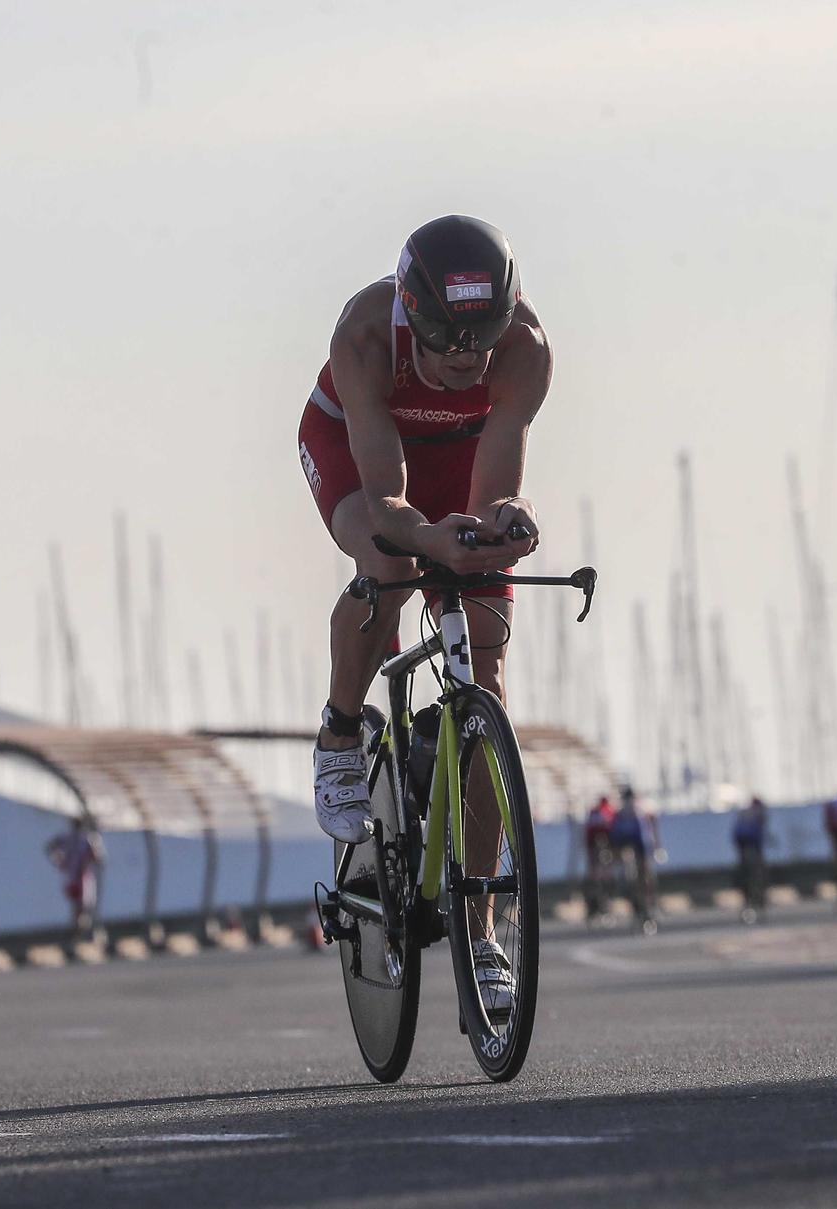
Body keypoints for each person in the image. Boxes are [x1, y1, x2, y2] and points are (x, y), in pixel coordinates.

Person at [299, 215, 552, 1010]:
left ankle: (480, 932)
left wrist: (504, 521)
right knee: (392, 566)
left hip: (458, 458)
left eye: (483, 336)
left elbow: (497, 484)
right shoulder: (368, 334)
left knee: (486, 655)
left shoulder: (527, 354)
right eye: (446, 335)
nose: (464, 356)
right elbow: (386, 503)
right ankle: (342, 729)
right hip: (358, 450)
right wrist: (428, 539)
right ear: (413, 312)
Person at [46, 818, 104, 941]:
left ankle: (79, 930)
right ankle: (82, 931)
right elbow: (97, 858)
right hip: (82, 877)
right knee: (83, 906)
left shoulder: (67, 838)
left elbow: (50, 847)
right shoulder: (86, 839)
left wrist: (60, 861)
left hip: (73, 877)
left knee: (78, 906)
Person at [608, 785, 659, 925]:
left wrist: (656, 847)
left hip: (640, 844)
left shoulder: (640, 814)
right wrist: (616, 858)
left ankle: (650, 904)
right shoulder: (619, 816)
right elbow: (615, 839)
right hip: (626, 845)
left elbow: (647, 838)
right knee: (628, 874)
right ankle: (635, 902)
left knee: (645, 872)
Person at [732, 795, 770, 918]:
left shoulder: (744, 813)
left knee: (746, 877)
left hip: (742, 851)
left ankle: (748, 903)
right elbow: (761, 833)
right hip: (754, 850)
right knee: (757, 877)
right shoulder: (759, 813)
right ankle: (758, 904)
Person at [581, 794, 617, 920]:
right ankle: (596, 908)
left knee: (603, 880)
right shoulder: (601, 813)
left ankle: (604, 907)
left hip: (601, 851)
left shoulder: (602, 813)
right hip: (597, 851)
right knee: (597, 880)